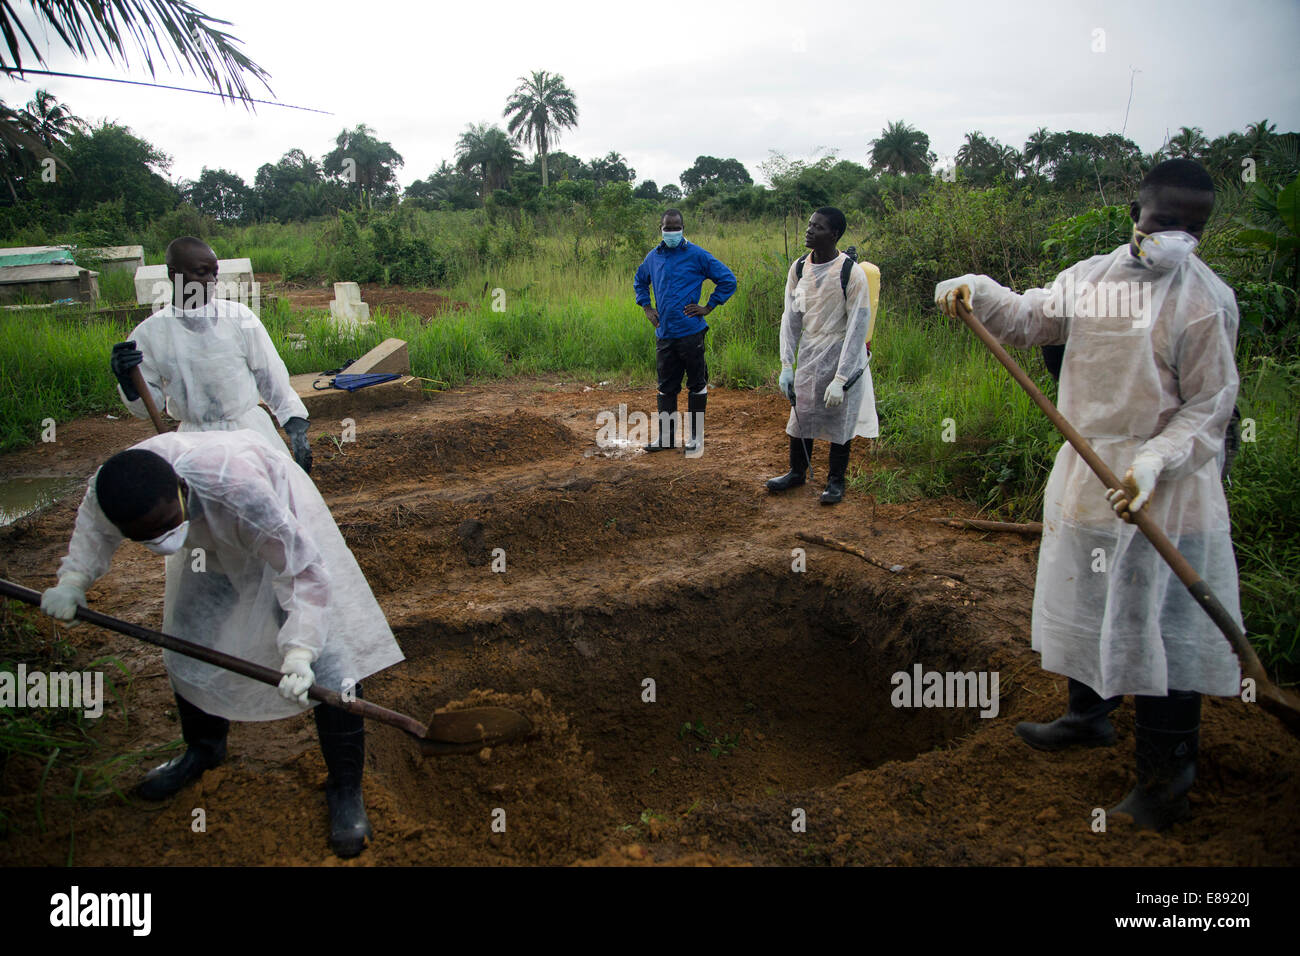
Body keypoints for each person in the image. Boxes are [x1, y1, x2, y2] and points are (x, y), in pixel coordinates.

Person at [934, 159, 1241, 831]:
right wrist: (976, 290)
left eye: (1194, 226)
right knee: (1085, 594)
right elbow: (1031, 317)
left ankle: (1165, 787)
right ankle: (1087, 718)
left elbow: (1210, 411)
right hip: (1089, 473)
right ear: (1138, 212)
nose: (1178, 237)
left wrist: (1155, 465)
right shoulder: (1094, 279)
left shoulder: (1205, 304)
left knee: (1166, 633)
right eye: (1166, 221)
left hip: (1165, 492)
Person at [39, 430, 404, 857]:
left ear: (180, 487)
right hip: (205, 550)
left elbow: (301, 573)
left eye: (164, 524)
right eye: (144, 535)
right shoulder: (111, 488)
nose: (158, 539)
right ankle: (204, 750)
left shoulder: (238, 491)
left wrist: (300, 651)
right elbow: (93, 534)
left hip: (275, 526)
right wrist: (73, 581)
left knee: (330, 664)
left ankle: (345, 788)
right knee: (188, 636)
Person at [109, 236, 313, 473]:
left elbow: (269, 374)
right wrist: (128, 383)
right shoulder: (149, 334)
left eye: (214, 274)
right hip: (196, 443)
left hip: (251, 434)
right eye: (201, 273)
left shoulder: (239, 317)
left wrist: (294, 422)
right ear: (173, 274)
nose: (211, 281)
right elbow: (147, 409)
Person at [767, 207, 877, 504]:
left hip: (844, 353)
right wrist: (786, 364)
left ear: (834, 234)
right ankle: (796, 472)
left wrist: (841, 379)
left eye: (818, 227)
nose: (809, 230)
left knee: (840, 419)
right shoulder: (799, 268)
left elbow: (857, 327)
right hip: (811, 351)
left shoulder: (850, 273)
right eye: (810, 224)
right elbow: (790, 318)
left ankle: (835, 481)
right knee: (801, 411)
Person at [634, 209, 737, 455]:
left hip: (691, 333)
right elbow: (640, 280)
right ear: (660, 229)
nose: (671, 232)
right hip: (665, 333)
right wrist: (647, 307)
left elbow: (728, 280)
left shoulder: (697, 255)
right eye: (667, 228)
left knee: (696, 385)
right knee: (666, 387)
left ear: (683, 227)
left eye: (675, 227)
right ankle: (667, 438)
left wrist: (708, 306)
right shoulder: (653, 257)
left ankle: (695, 438)